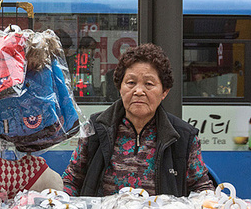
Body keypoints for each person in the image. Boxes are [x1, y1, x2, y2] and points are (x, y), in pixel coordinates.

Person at [63, 43, 215, 197]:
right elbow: (72, 180)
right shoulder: (96, 127)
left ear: (164, 91)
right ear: (120, 87)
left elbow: (201, 188)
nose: (138, 91)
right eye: (131, 83)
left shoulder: (183, 137)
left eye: (148, 84)